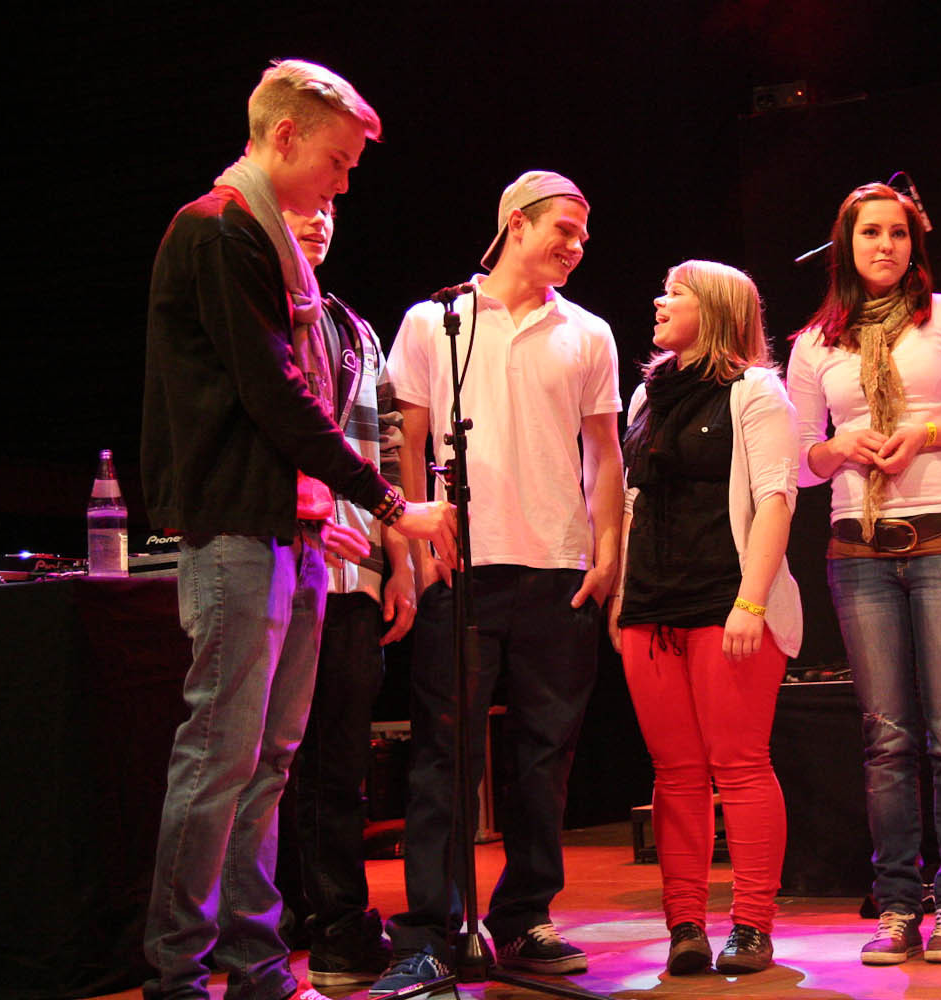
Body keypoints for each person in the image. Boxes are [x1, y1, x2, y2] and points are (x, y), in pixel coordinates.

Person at [139, 59, 457, 1000]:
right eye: (338, 161)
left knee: (268, 761)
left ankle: (254, 961)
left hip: (292, 534)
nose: (344, 183)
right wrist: (390, 504)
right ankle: (176, 971)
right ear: (283, 137)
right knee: (221, 755)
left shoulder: (272, 248)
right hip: (237, 532)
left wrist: (341, 514)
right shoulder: (219, 230)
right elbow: (274, 394)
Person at [372, 170, 623, 994]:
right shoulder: (435, 321)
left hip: (558, 568)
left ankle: (523, 916)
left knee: (545, 757)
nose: (577, 246)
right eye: (564, 229)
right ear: (516, 223)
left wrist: (607, 552)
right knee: (444, 755)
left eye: (583, 234)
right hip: (461, 564)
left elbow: (604, 453)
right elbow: (409, 441)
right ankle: (432, 931)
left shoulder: (587, 332)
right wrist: (413, 547)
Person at [786, 183, 941, 966]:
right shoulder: (815, 342)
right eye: (869, 233)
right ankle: (895, 905)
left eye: (896, 233)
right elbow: (798, 459)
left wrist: (925, 433)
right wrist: (836, 448)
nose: (884, 245)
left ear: (913, 243)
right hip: (860, 548)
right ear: (846, 245)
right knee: (886, 740)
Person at [608, 261, 801, 976]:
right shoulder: (647, 394)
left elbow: (776, 498)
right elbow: (634, 503)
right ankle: (684, 924)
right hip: (652, 606)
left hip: (726, 601)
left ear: (715, 309)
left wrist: (751, 602)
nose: (660, 301)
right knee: (675, 773)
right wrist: (623, 597)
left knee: (740, 766)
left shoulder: (756, 390)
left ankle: (751, 925)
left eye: (677, 292)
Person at [272, 202, 417, 987]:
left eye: (329, 208)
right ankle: (275, 920)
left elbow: (386, 446)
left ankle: (336, 926)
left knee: (339, 761)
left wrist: (402, 562)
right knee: (267, 760)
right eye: (303, 206)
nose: (319, 220)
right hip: (277, 555)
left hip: (355, 571)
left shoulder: (354, 329)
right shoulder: (259, 310)